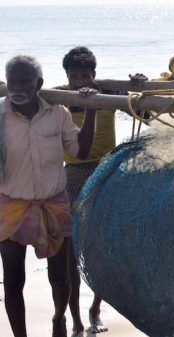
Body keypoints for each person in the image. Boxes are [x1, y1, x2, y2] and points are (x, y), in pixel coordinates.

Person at [0, 55, 96, 337]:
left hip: (53, 201)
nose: (18, 87)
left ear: (38, 83)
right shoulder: (0, 117)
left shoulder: (58, 113)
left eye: (25, 81)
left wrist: (91, 109)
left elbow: (81, 152)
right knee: (13, 277)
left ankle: (58, 318)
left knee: (60, 277)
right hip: (11, 204)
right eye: (13, 81)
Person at [57, 46, 146, 336]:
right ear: (67, 77)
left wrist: (137, 87)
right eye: (74, 76)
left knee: (103, 246)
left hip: (106, 171)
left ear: (95, 75)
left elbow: (144, 112)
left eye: (85, 75)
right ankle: (75, 318)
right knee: (70, 250)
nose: (80, 81)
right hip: (72, 174)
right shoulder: (60, 96)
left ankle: (95, 308)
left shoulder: (108, 94)